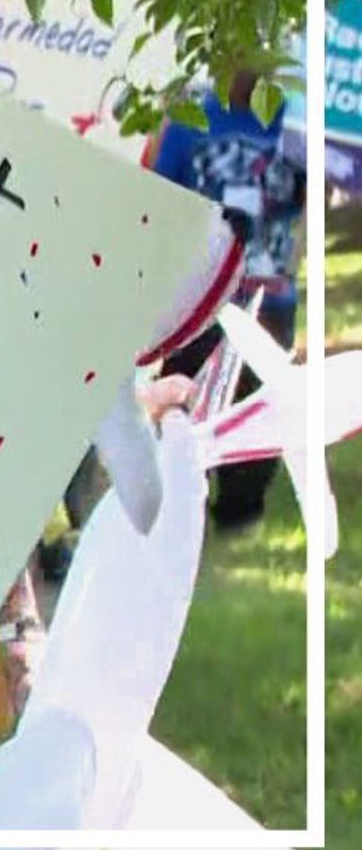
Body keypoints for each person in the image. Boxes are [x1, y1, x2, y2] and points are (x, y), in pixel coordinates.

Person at [146, 70, 306, 532]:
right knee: (185, 399)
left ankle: (240, 512)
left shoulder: (292, 122)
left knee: (259, 402)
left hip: (269, 292)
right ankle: (178, 507)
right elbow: (163, 198)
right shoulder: (190, 120)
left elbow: (316, 192)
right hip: (199, 297)